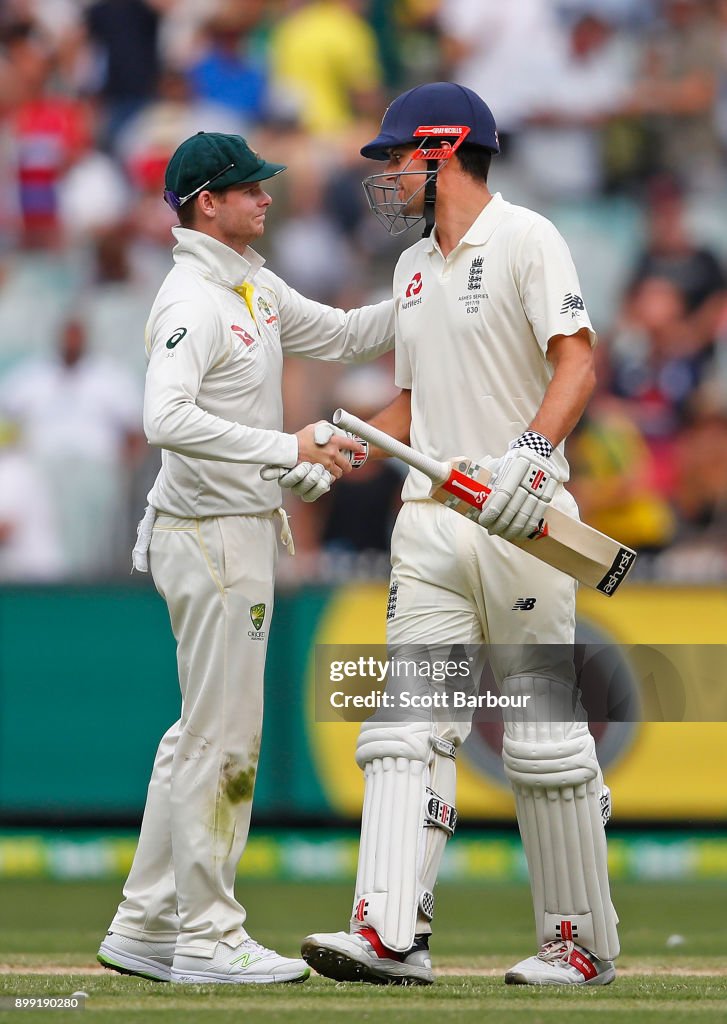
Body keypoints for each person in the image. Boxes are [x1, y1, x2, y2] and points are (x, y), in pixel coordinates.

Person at [302, 83, 619, 986]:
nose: (390, 173)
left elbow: (576, 358)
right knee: (407, 729)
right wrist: (345, 441)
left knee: (543, 740)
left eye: (397, 156)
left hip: (520, 517)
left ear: (441, 153)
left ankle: (578, 944)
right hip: (429, 521)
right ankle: (391, 934)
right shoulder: (410, 269)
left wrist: (529, 452)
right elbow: (414, 398)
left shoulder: (527, 237)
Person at [96, 130, 394, 985]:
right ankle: (209, 939)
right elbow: (165, 419)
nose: (267, 200)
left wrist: (426, 290)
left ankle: (145, 926)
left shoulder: (249, 283)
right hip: (211, 539)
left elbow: (340, 335)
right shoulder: (193, 298)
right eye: (251, 190)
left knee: (197, 735)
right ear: (207, 204)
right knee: (223, 740)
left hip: (231, 528)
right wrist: (285, 445)